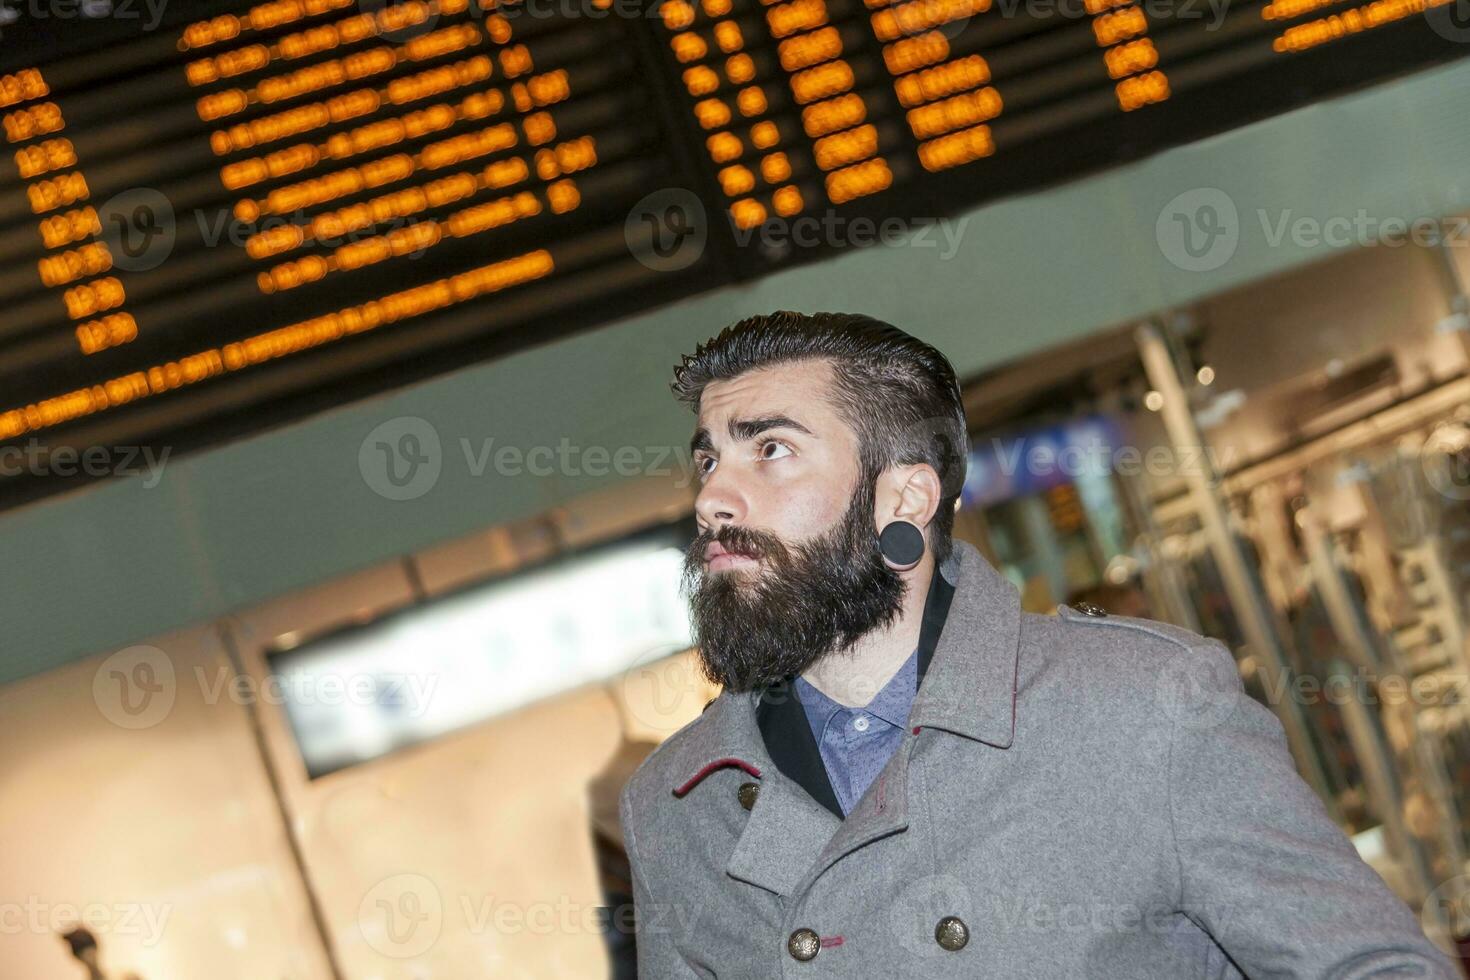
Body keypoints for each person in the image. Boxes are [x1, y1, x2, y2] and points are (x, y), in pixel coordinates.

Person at [618, 311, 1456, 978]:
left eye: (770, 450)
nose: (714, 500)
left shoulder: (1145, 709)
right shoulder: (673, 809)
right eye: (707, 461)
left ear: (904, 497)